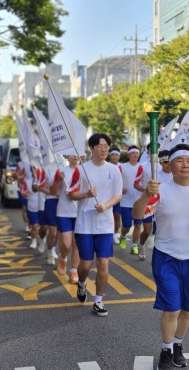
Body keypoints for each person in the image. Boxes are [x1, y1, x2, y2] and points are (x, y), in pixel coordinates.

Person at [132, 144, 189, 370]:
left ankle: (178, 345)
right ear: (170, 165)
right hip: (166, 256)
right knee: (172, 307)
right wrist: (146, 193)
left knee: (187, 308)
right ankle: (166, 351)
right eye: (180, 160)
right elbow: (138, 213)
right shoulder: (160, 190)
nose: (185, 164)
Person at [68, 133, 122, 316]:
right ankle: (82, 284)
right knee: (85, 264)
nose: (104, 148)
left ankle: (99, 300)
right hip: (84, 224)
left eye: (107, 145)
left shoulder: (114, 170)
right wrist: (86, 195)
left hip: (105, 225)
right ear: (91, 148)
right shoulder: (81, 170)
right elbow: (70, 194)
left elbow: (118, 194)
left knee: (103, 263)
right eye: (100, 145)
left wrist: (106, 205)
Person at [51, 154, 80, 283]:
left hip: (79, 213)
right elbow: (52, 191)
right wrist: (59, 180)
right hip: (64, 212)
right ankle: (63, 258)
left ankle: (74, 271)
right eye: (72, 154)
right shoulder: (61, 171)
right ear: (67, 157)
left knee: (76, 243)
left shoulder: (84, 171)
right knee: (67, 244)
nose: (75, 157)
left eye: (77, 153)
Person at [119, 145, 143, 254]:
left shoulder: (142, 167)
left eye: (137, 153)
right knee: (127, 225)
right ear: (129, 155)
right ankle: (123, 236)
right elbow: (116, 180)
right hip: (125, 201)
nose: (135, 155)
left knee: (138, 225)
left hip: (138, 201)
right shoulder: (122, 167)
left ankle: (134, 245)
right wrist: (120, 188)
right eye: (133, 153)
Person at [108, 146, 122, 245]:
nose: (114, 157)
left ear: (119, 157)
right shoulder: (106, 166)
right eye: (112, 155)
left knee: (117, 215)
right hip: (107, 195)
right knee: (108, 215)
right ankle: (108, 233)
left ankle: (116, 233)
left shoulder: (122, 167)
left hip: (117, 195)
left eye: (116, 155)